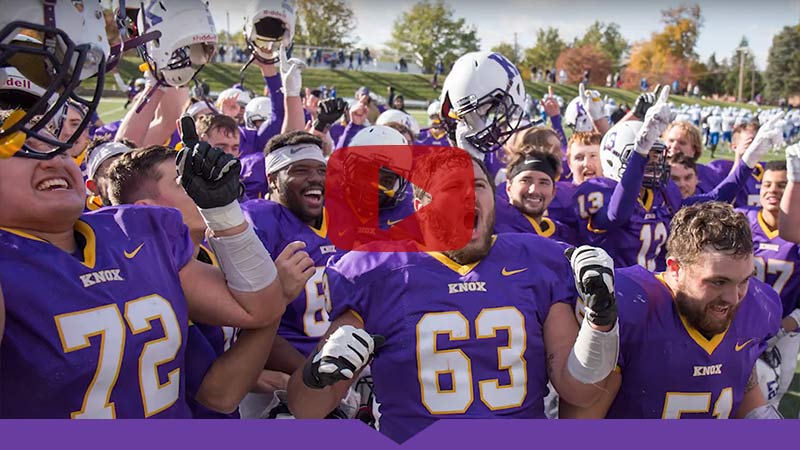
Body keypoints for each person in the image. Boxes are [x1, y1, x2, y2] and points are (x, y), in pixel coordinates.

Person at [287, 156, 620, 442]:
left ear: (493, 198)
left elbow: (580, 390)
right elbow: (307, 408)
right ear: (420, 207)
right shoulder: (377, 273)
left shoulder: (536, 261)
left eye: (477, 184)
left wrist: (600, 323)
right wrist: (318, 374)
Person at [0, 110, 286, 417]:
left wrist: (222, 212)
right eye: (23, 149)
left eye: (59, 148)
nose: (53, 159)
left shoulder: (137, 230)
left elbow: (259, 307)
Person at [105, 145, 315, 418]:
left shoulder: (206, 253)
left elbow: (227, 359)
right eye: (184, 183)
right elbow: (218, 395)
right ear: (146, 210)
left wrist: (278, 379)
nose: (200, 187)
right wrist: (278, 298)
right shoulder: (154, 276)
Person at [561, 202, 782, 419]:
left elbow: (743, 384)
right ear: (675, 269)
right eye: (718, 282)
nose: (733, 298)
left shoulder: (756, 304)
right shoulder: (633, 308)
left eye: (744, 281)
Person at [575, 86, 773, 271]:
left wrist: (748, 160)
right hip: (612, 293)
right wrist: (639, 151)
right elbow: (617, 213)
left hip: (653, 289)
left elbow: (716, 198)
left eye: (655, 156)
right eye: (646, 156)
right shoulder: (600, 189)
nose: (652, 163)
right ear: (616, 158)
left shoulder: (663, 194)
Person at [737, 160, 800, 407]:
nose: (772, 190)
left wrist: (788, 324)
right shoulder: (741, 220)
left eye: (782, 185)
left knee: (770, 398)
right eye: (767, 184)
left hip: (784, 332)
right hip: (737, 324)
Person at [495, 147, 576, 244]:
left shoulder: (563, 234)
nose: (534, 190)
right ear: (509, 188)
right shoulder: (492, 224)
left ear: (553, 192)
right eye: (525, 181)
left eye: (543, 183)